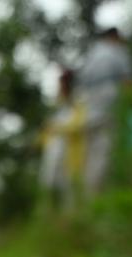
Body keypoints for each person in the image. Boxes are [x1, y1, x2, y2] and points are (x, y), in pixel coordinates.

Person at [75, 27, 132, 193]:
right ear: (114, 37)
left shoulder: (91, 55)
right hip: (108, 105)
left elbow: (80, 86)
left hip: (87, 109)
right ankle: (100, 195)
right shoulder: (118, 52)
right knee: (105, 151)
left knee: (89, 155)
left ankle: (86, 196)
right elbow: (129, 81)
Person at [39, 68, 87, 206]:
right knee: (49, 188)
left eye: (62, 85)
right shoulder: (59, 108)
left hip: (71, 155)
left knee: (69, 191)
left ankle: (69, 220)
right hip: (53, 154)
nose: (59, 89)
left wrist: (56, 129)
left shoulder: (79, 106)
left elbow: (79, 126)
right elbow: (47, 133)